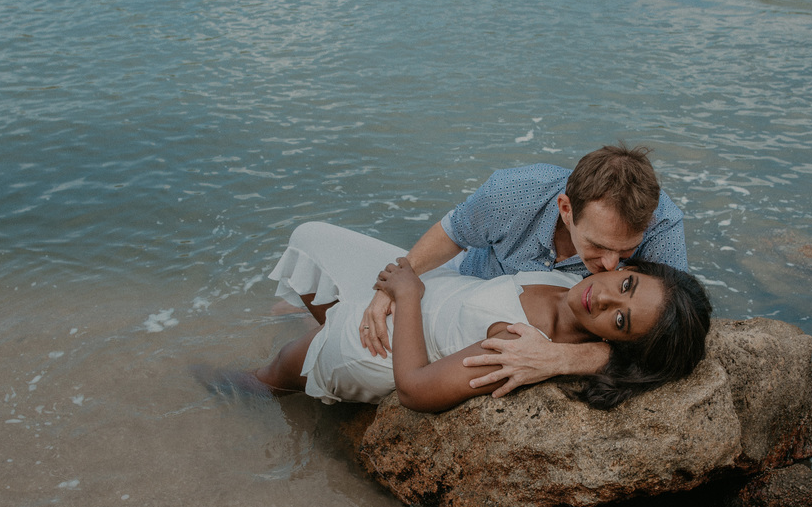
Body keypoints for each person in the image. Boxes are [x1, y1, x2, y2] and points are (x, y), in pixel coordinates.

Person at [253, 222, 711, 413]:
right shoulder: (571, 279)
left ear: (616, 343)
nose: (605, 299)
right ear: (628, 267)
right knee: (309, 238)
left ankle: (236, 390)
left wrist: (407, 296)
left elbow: (415, 390)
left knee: (273, 373)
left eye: (620, 321)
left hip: (388, 344)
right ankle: (326, 324)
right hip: (429, 291)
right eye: (627, 285)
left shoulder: (520, 346)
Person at [357, 144, 688, 396]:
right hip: (465, 286)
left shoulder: (660, 227)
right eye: (597, 245)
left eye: (626, 251)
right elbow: (455, 232)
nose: (611, 265)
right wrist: (394, 282)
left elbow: (669, 342)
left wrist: (559, 359)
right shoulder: (514, 191)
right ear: (566, 209)